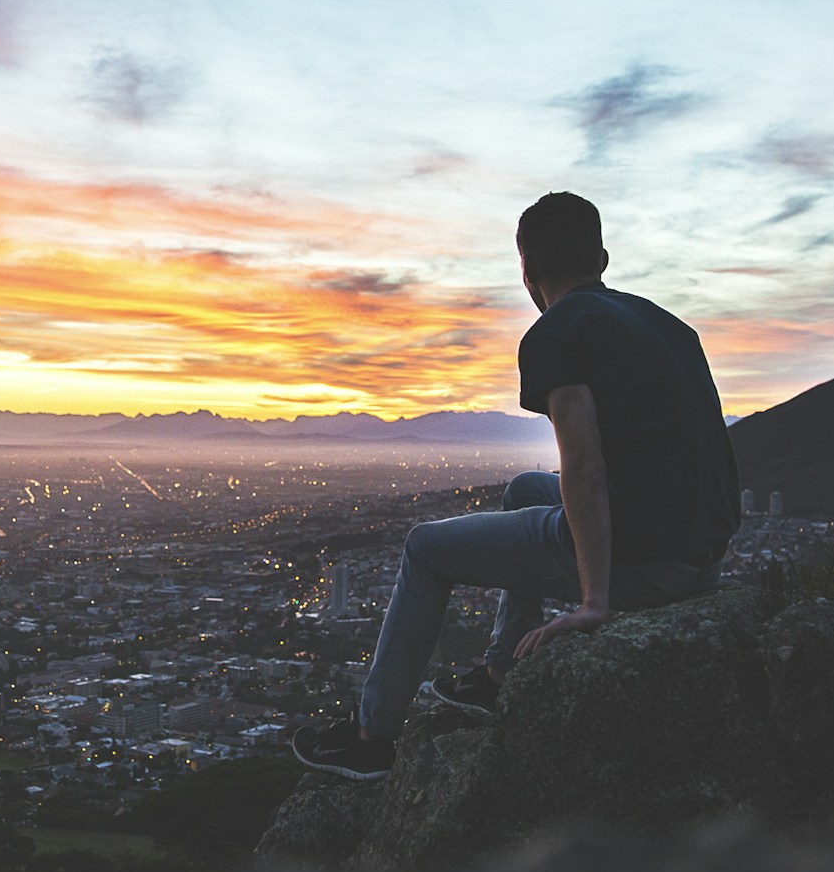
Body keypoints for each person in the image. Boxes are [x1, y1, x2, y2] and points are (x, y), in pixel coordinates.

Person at [293, 192, 741, 780]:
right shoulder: (668, 325)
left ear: (526, 271)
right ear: (602, 258)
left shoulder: (556, 331)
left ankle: (371, 737)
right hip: (700, 556)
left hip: (646, 562)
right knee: (527, 487)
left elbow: (582, 462)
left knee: (425, 550)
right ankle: (499, 673)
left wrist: (594, 603)